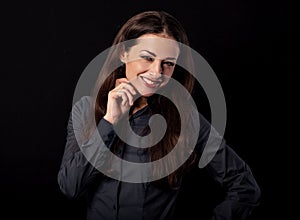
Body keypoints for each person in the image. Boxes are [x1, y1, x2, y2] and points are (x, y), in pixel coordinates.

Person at [57, 10, 261, 220]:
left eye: (168, 63)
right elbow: (71, 187)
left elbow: (244, 186)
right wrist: (109, 122)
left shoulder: (185, 119)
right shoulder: (85, 111)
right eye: (147, 58)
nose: (157, 72)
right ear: (124, 53)